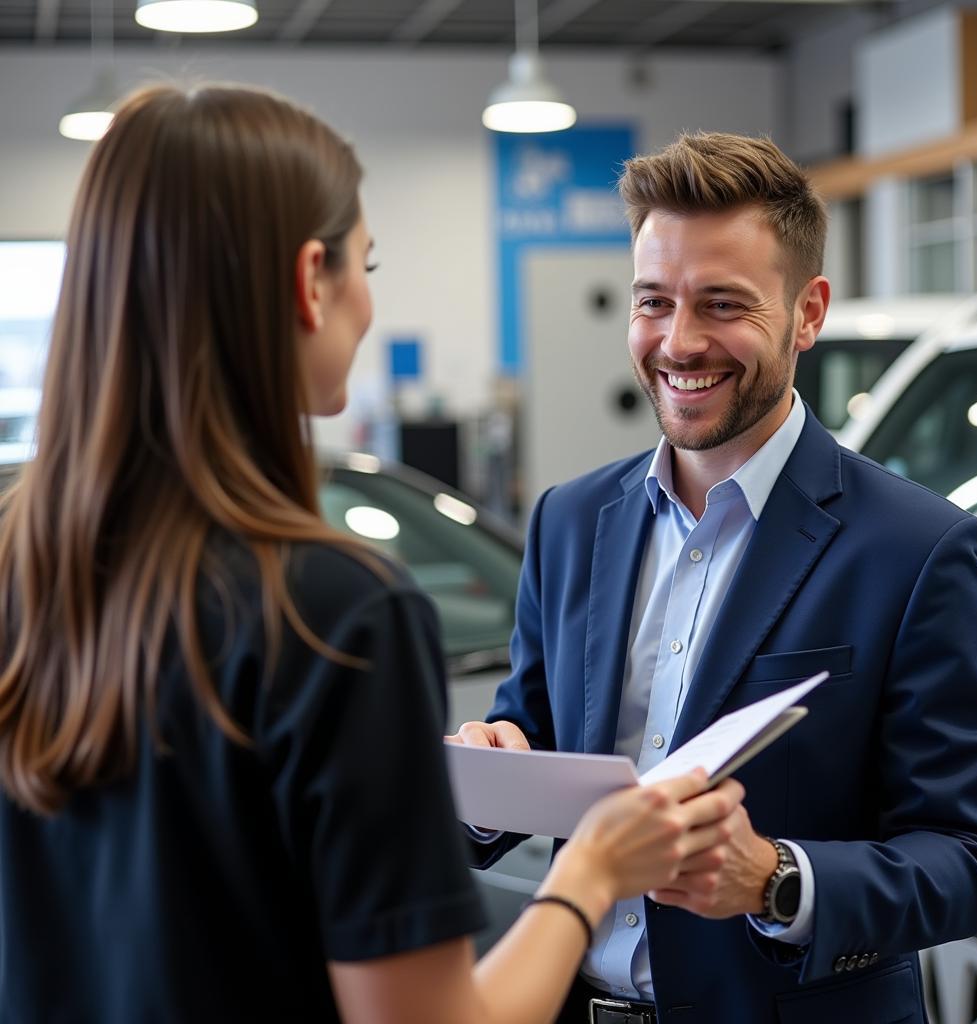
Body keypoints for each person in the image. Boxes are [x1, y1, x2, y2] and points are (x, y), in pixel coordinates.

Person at [0, 85, 745, 1024]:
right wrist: (592, 872)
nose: (366, 297)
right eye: (368, 262)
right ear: (312, 279)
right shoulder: (336, 611)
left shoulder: (22, 571)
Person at [453, 132, 977, 1023]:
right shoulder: (570, 520)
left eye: (722, 304)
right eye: (653, 302)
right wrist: (486, 783)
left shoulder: (920, 550)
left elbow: (972, 857)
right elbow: (533, 732)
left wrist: (778, 882)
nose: (679, 343)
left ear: (809, 311)